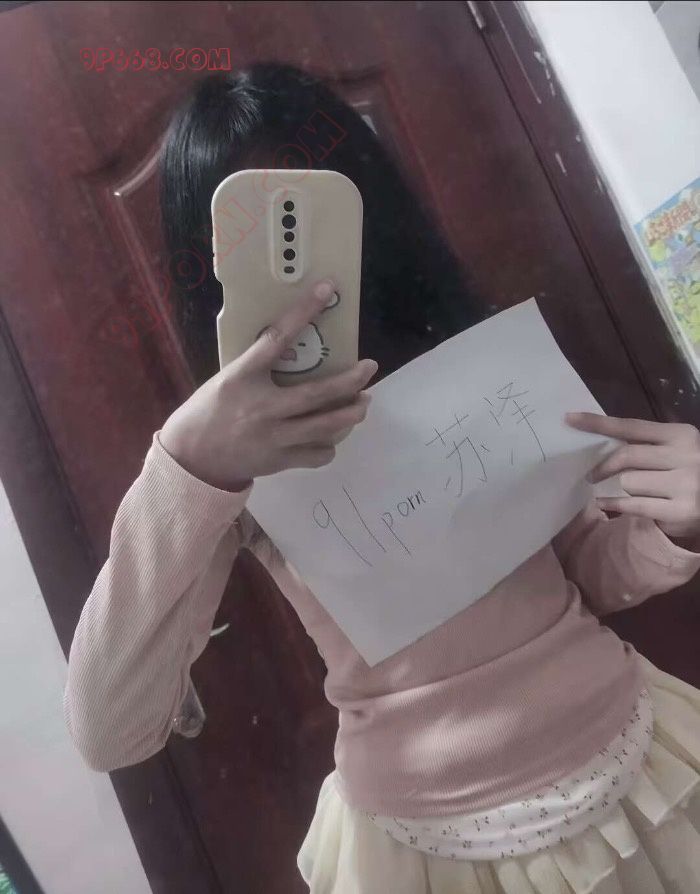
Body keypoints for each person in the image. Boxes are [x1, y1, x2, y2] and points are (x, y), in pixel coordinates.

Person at [64, 65, 700, 893]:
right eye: (258, 229)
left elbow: (581, 571)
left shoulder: (478, 357)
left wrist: (675, 529)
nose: (299, 261)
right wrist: (184, 467)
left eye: (316, 207)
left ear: (371, 203)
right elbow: (110, 730)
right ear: (211, 258)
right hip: (422, 846)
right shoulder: (224, 464)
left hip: (633, 760)